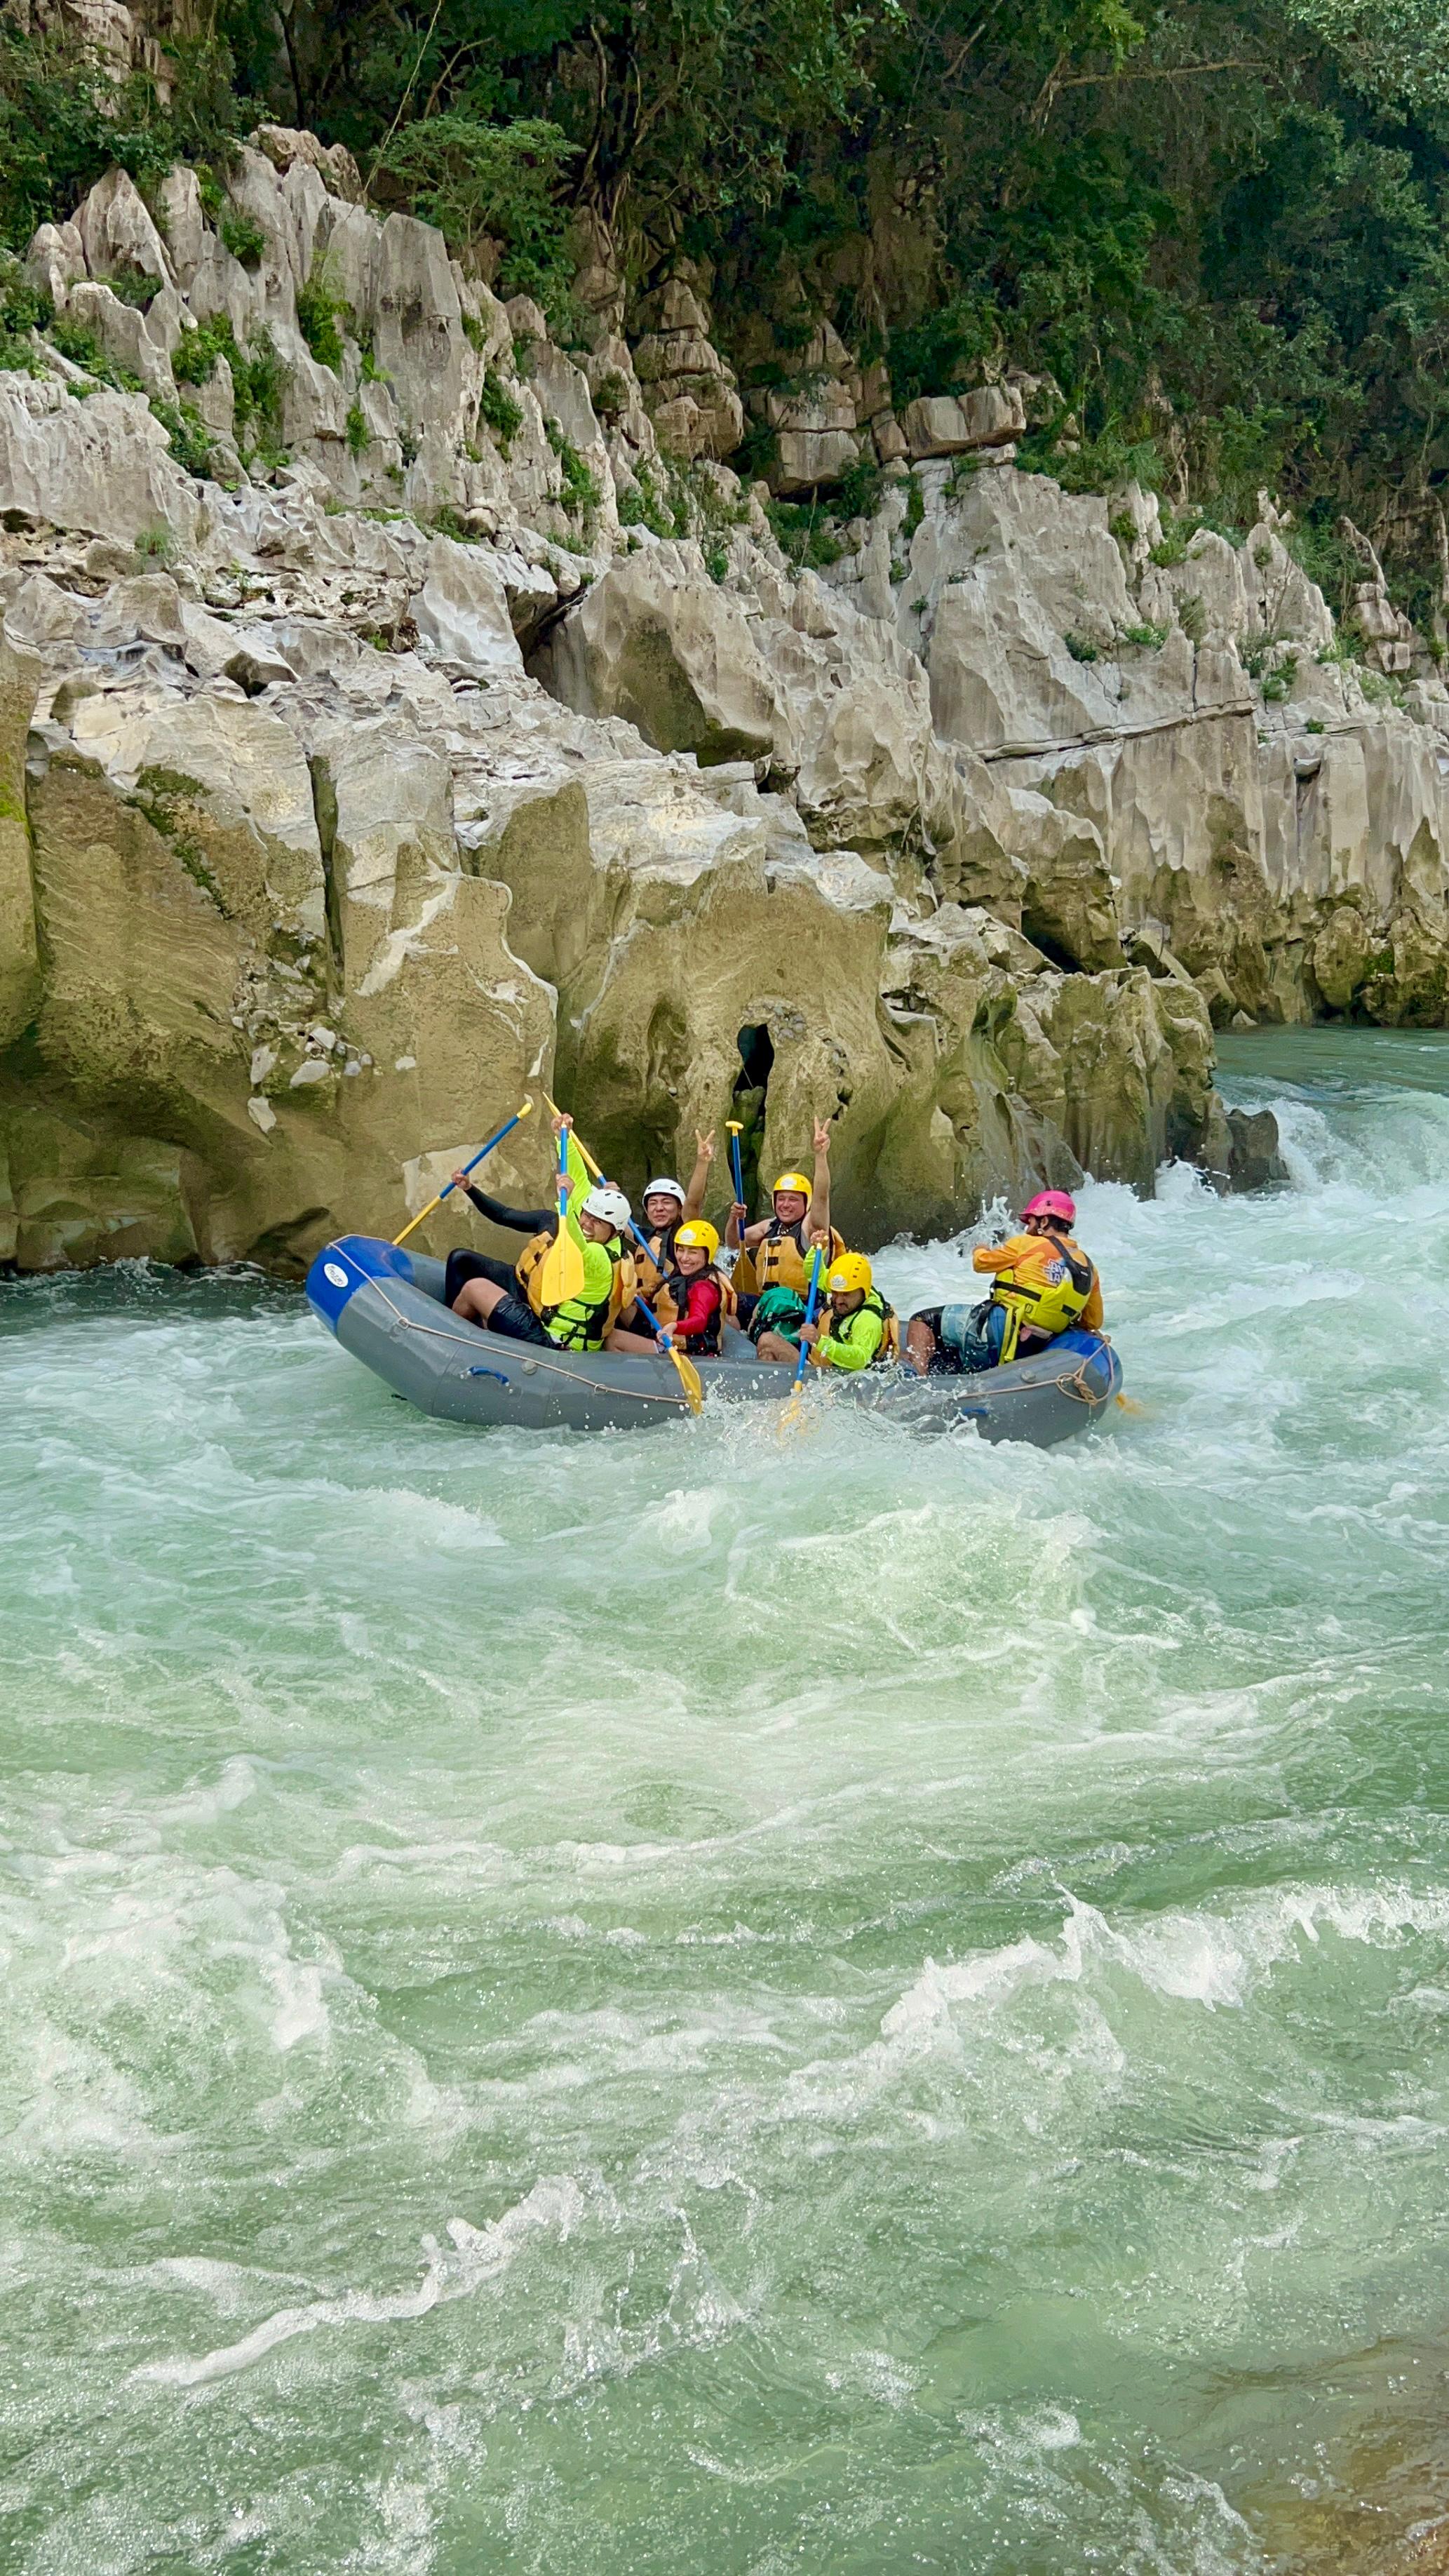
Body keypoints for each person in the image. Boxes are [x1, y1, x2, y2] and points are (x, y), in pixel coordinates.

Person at [449, 1111, 640, 1353]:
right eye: (587, 1215)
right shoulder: (587, 1226)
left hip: (557, 1341)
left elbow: (576, 1244)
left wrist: (565, 1203)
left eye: (598, 1222)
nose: (587, 1224)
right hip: (539, 1308)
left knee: (475, 1288)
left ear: (616, 1232)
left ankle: (447, 1345)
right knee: (463, 1262)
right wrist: (564, 1138)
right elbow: (579, 1180)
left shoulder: (601, 1258)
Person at [905, 1189, 1102, 1376]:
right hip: (1035, 1346)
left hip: (998, 1334)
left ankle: (916, 1381)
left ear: (1044, 1221)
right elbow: (1093, 1321)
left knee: (922, 1320)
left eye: (1031, 1221)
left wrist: (980, 1248)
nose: (1028, 1228)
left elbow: (981, 1263)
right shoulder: (1090, 1268)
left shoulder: (1026, 1243)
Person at [725, 1117, 847, 1360]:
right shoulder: (769, 1227)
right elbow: (733, 1242)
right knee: (726, 1303)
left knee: (777, 1301)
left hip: (801, 1309)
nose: (786, 1204)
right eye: (781, 1199)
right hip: (766, 1306)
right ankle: (737, 1353)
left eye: (793, 1199)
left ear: (805, 1203)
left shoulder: (811, 1228)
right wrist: (734, 1218)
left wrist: (820, 1156)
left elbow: (822, 1197)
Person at [631, 1133, 715, 1302]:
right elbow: (610, 1220)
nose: (659, 1208)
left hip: (674, 1306)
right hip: (646, 1307)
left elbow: (693, 1202)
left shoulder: (683, 1233)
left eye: (666, 1202)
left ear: (679, 1208)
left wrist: (702, 1162)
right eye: (653, 1203)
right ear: (647, 1212)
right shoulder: (643, 1236)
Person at [800, 1253, 898, 1371]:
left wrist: (820, 1341)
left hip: (853, 1377)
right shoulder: (848, 1286)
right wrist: (817, 1249)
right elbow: (815, 1274)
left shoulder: (868, 1319)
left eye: (846, 1294)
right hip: (824, 1365)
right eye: (834, 1293)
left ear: (863, 1290)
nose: (838, 1301)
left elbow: (860, 1359)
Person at [649, 1219, 734, 1357]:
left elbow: (699, 1320)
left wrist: (674, 1326)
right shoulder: (681, 1276)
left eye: (692, 1252)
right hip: (669, 1346)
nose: (684, 1258)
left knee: (617, 1341)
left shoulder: (704, 1287)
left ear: (708, 1254)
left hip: (692, 1355)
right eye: (681, 1250)